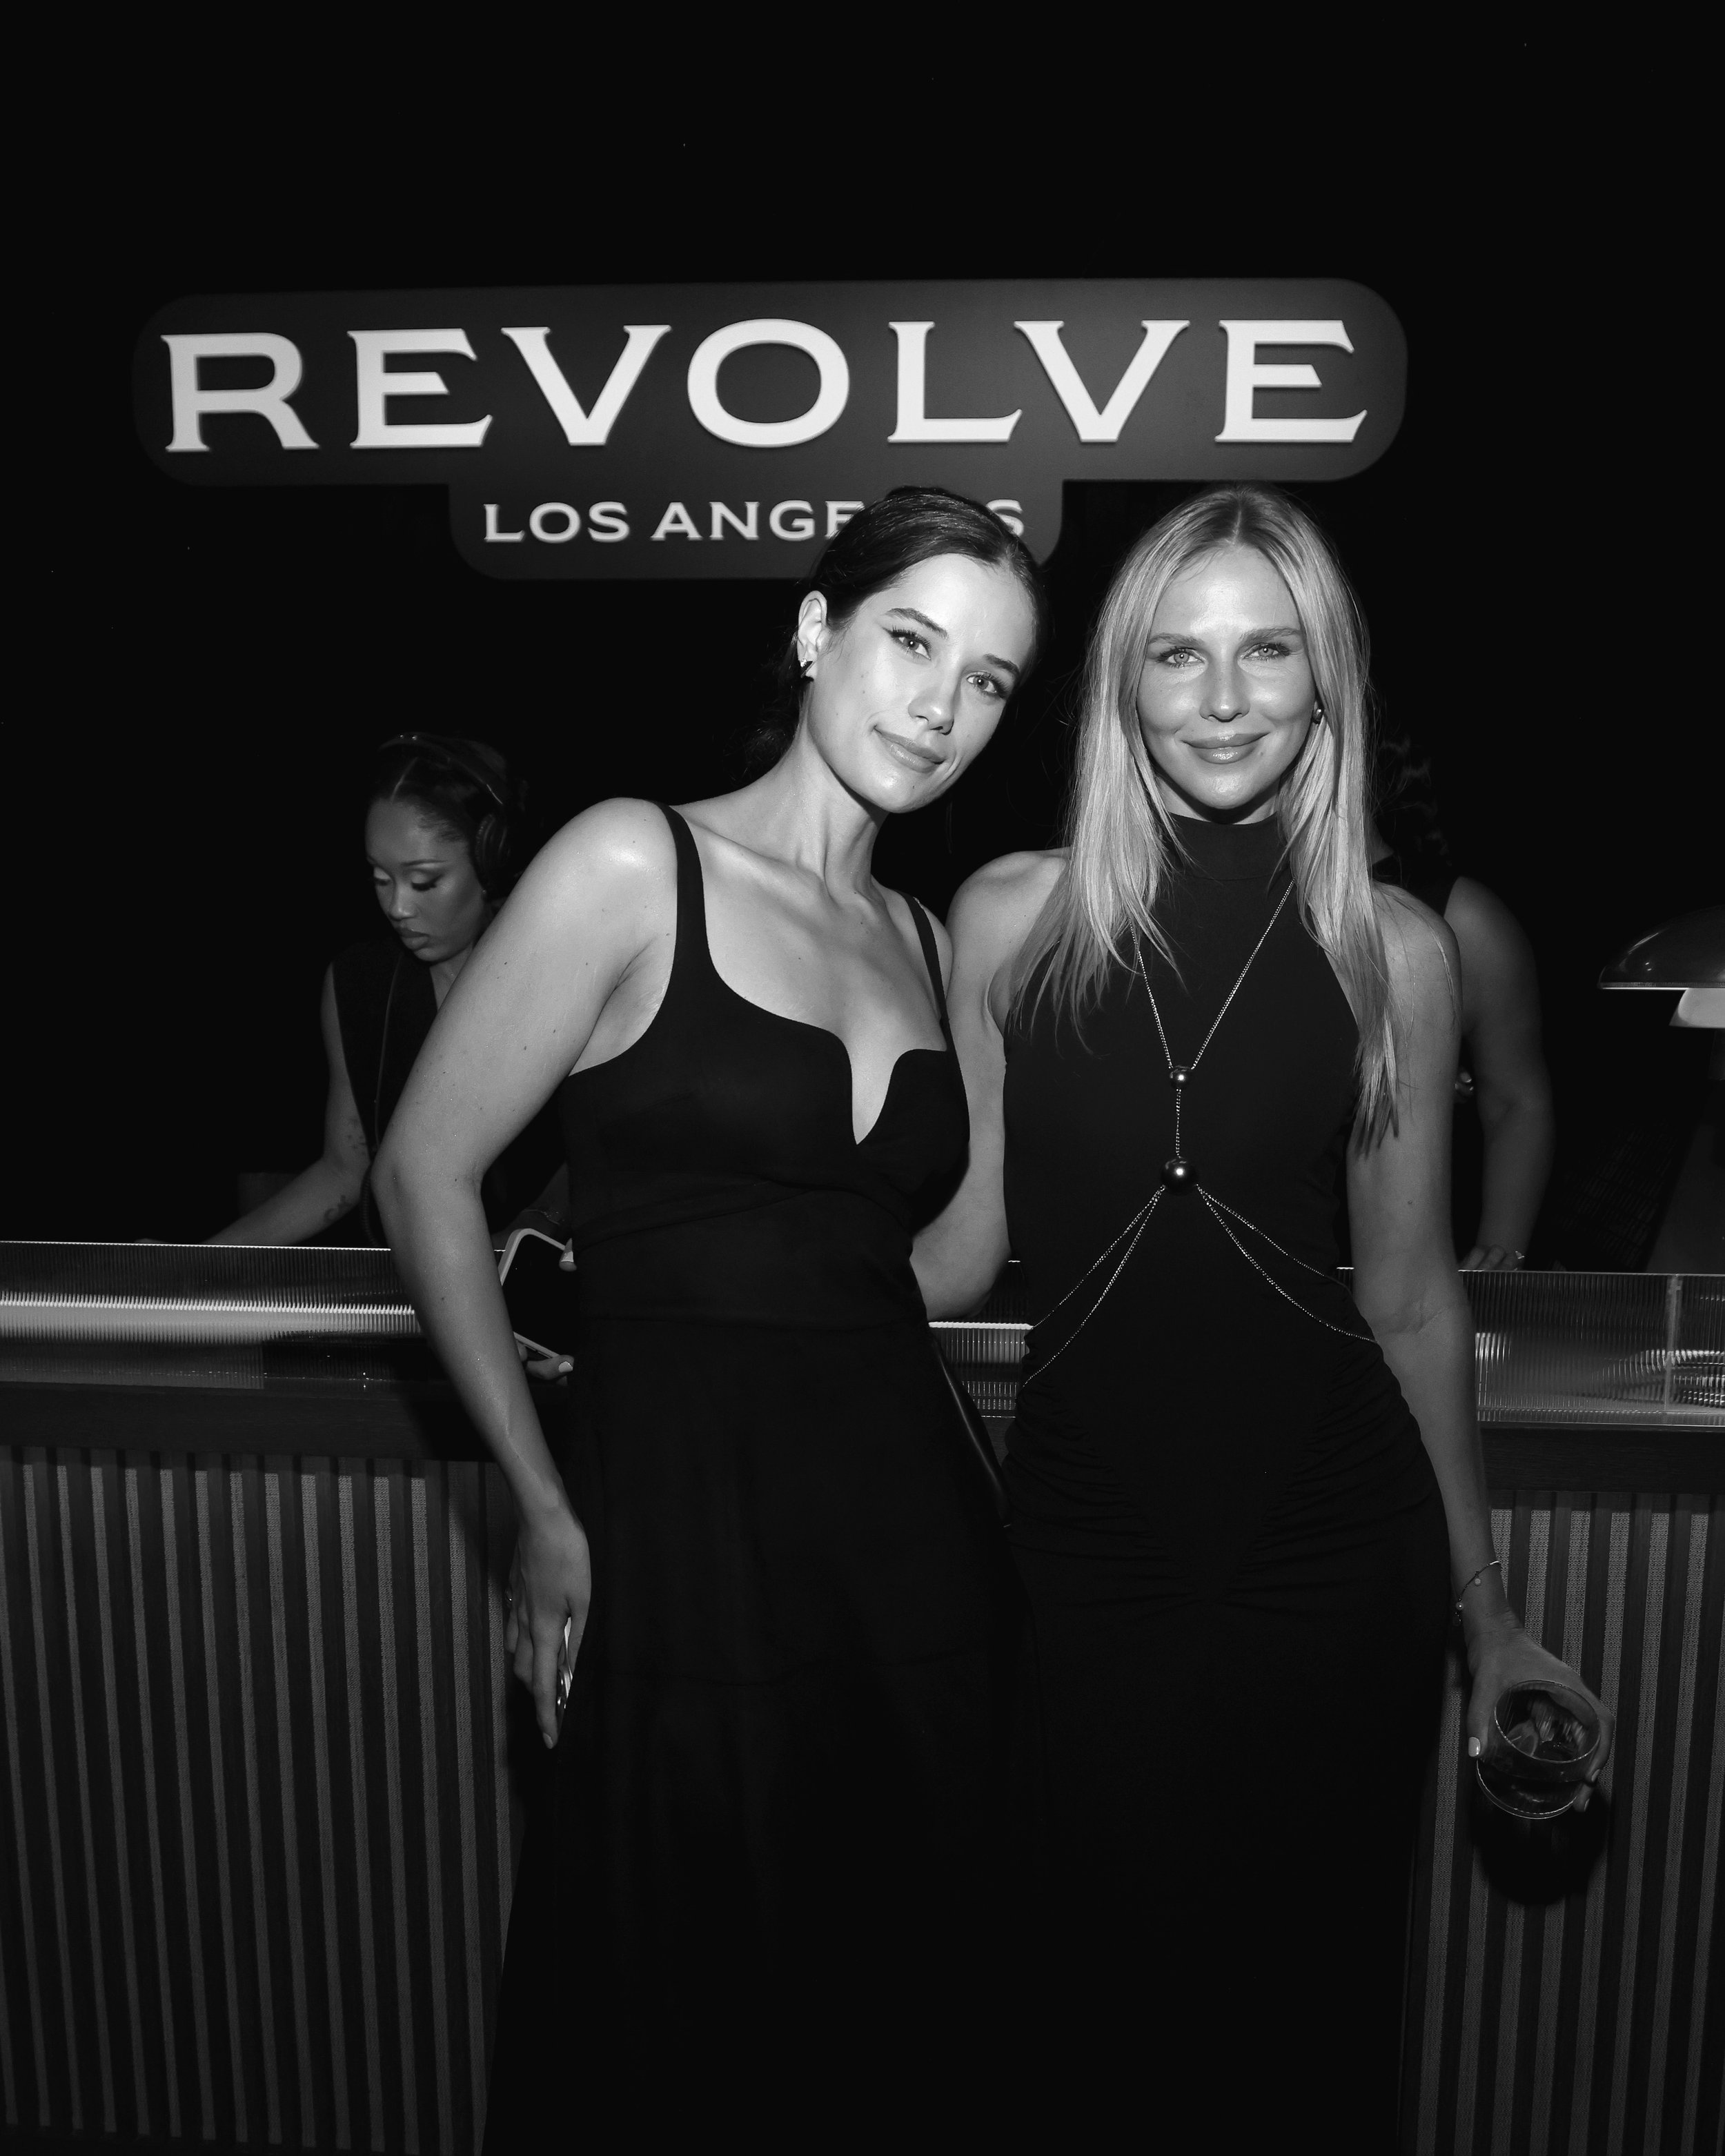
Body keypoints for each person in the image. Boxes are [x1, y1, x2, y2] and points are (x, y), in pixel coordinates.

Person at [915, 484, 1613, 2143]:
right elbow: (962, 1240)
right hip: (1083, 1554)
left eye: (1267, 652)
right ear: (1122, 686)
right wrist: (735, 1285)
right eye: (1177, 655)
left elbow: (1411, 1300)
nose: (1223, 700)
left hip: (1328, 1552)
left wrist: (1486, 1614)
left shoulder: (1396, 949)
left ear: (1327, 681)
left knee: (1297, 2035)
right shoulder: (1007, 918)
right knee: (1075, 2021)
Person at [371, 490, 1043, 2139]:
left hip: (914, 1545)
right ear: (818, 632)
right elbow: (421, 1176)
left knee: (897, 2004)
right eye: (910, 642)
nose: (939, 708)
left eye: (990, 683)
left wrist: (1034, 1025)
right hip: (679, 1528)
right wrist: (539, 1505)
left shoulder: (924, 932)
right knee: (677, 2006)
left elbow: (934, 1270)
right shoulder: (632, 858)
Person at [210, 735, 560, 1245]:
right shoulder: (360, 983)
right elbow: (345, 1170)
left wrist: (542, 1221)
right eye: (379, 878)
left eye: (423, 881)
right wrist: (201, 1262)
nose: (397, 906)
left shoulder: (563, 971)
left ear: (493, 860)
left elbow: (620, 1148)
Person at [1372, 727, 1555, 1268]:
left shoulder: (1462, 917)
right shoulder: (1242, 911)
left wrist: (1501, 1253)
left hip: (1424, 1274)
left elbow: (1517, 1100)